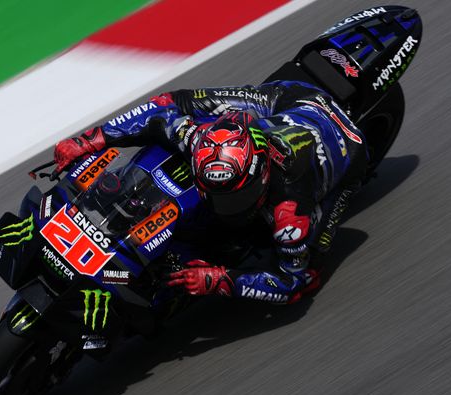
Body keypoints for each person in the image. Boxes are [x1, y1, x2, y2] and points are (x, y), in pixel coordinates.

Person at [54, 81, 368, 304]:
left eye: (236, 197)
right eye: (218, 195)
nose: (225, 206)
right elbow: (158, 111)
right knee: (178, 101)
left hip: (349, 149)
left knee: (310, 272)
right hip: (292, 100)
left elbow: (291, 284)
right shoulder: (199, 141)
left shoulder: (289, 214)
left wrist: (221, 280)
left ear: (261, 177)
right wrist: (89, 140)